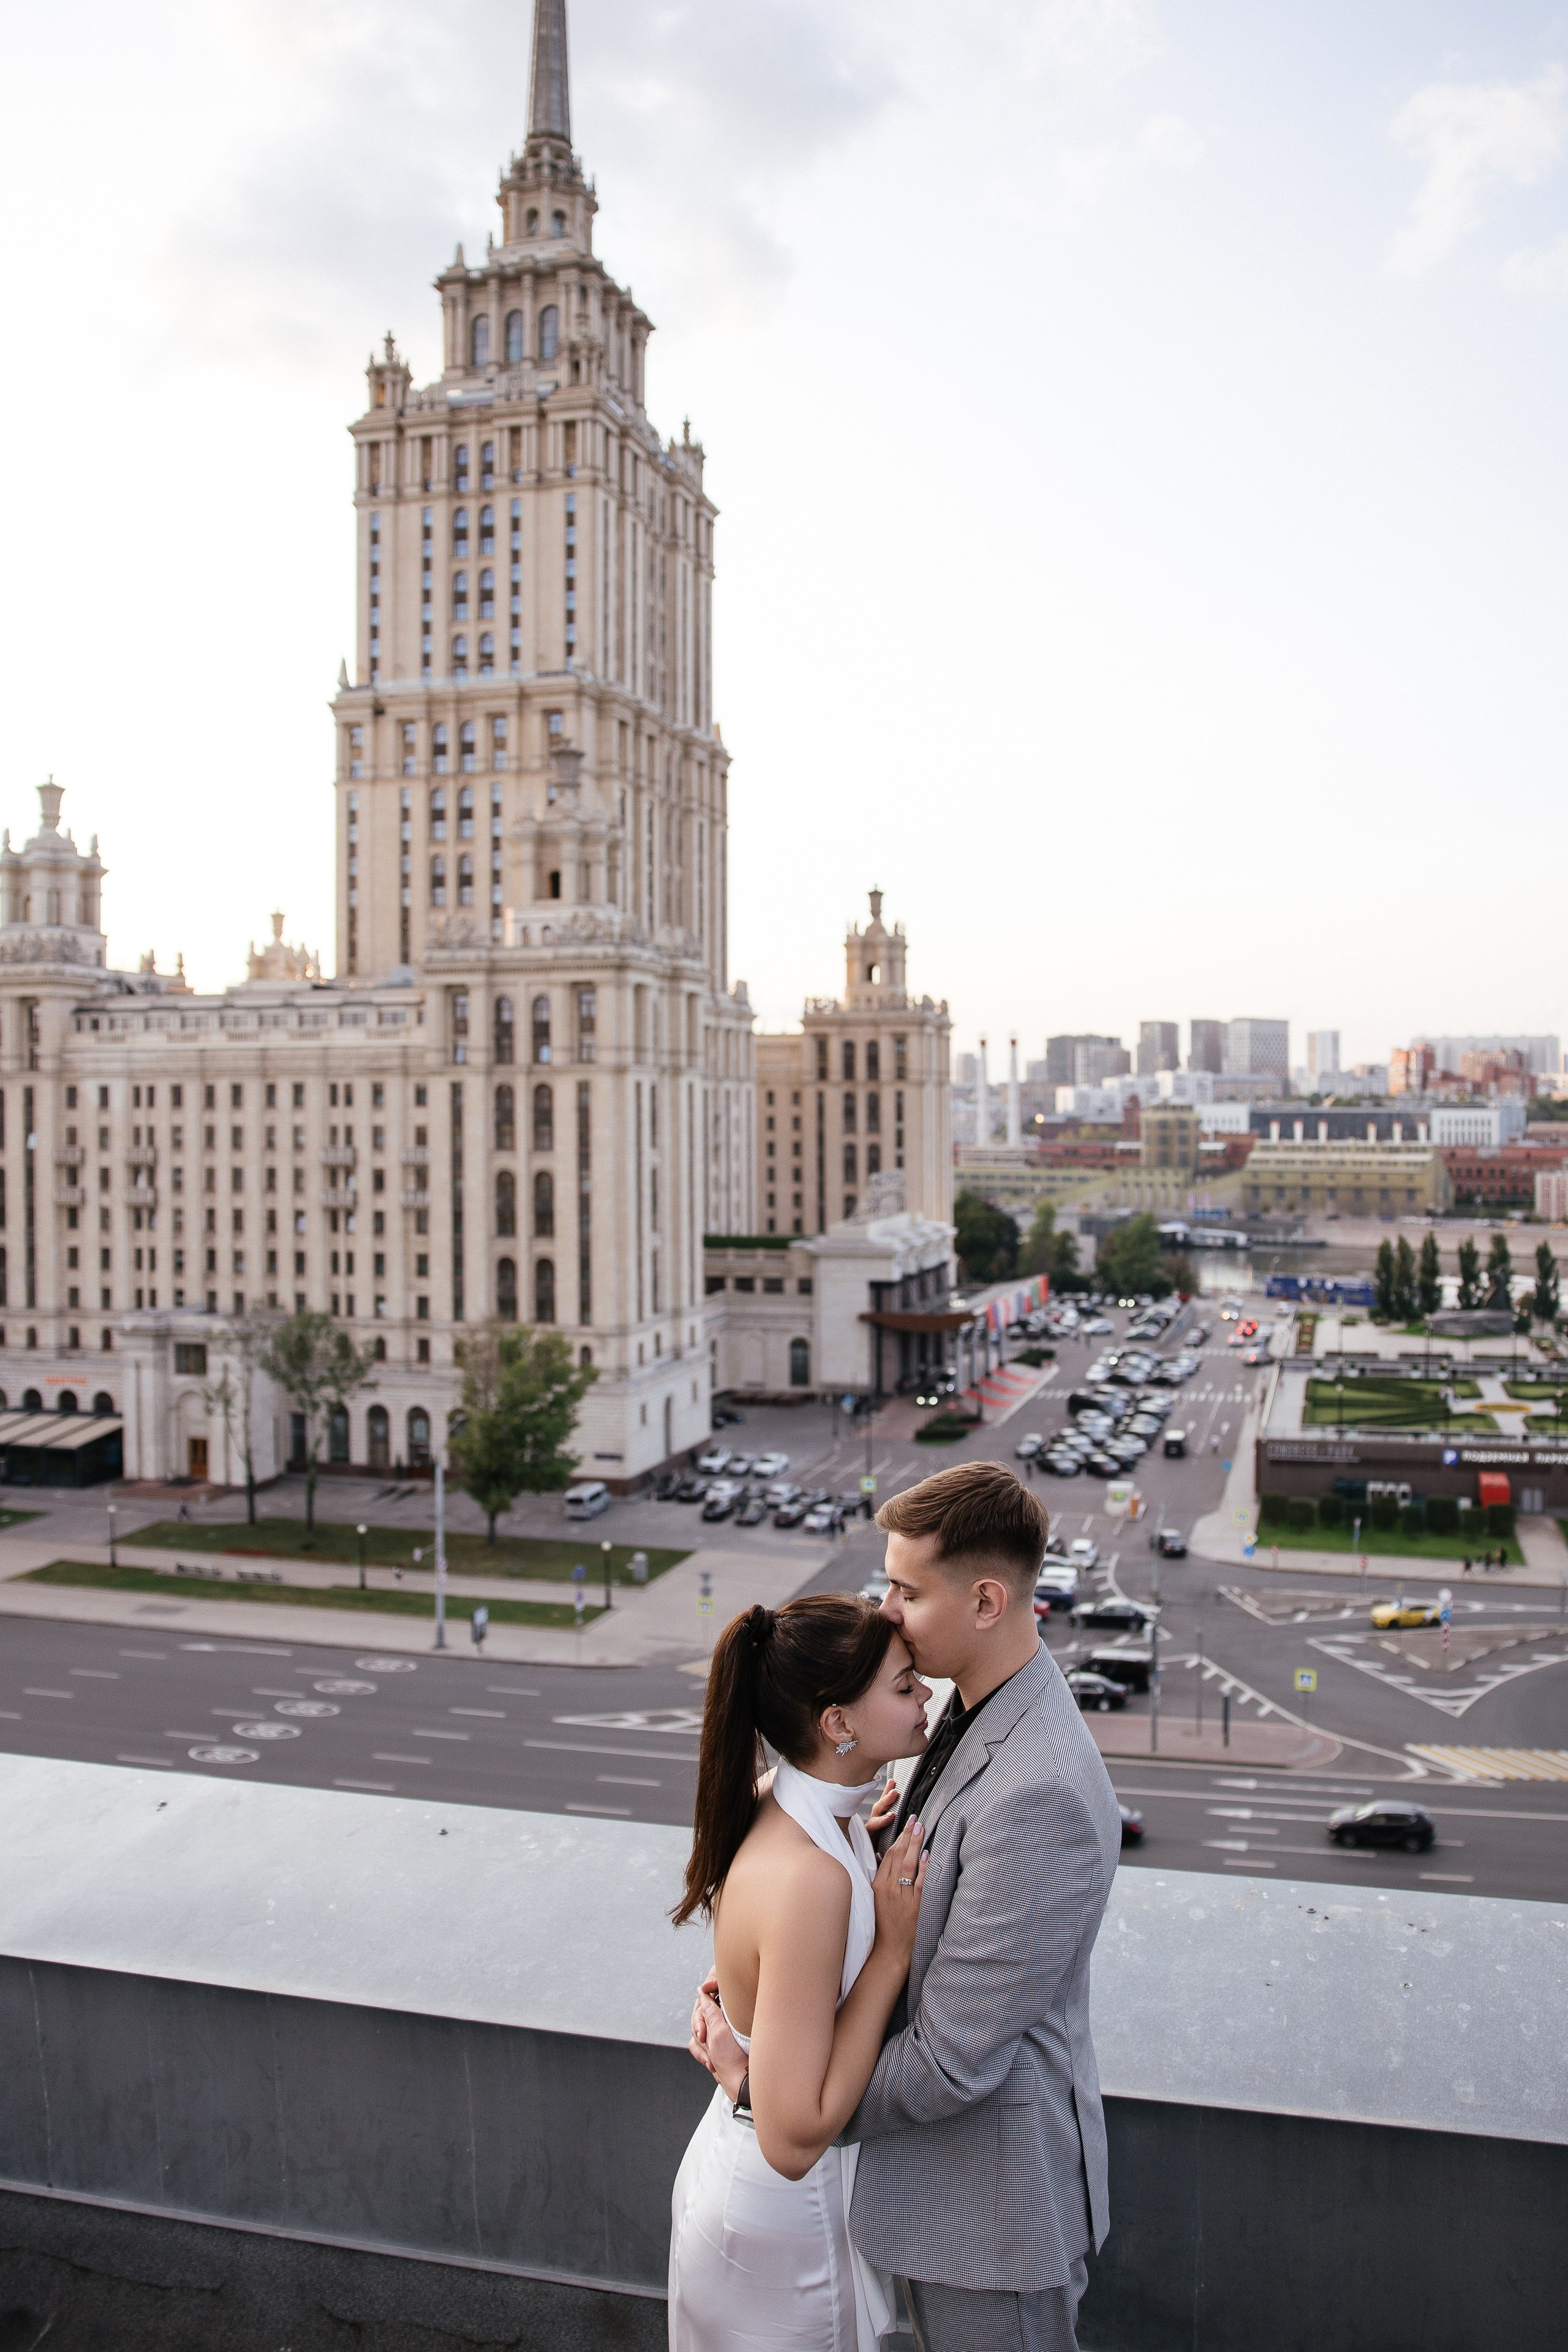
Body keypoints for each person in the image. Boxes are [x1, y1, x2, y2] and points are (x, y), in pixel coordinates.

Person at [692, 1461, 1122, 2352]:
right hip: (934, 2192)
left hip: (989, 2217)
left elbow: (951, 2061)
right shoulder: (974, 1705)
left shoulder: (1039, 1792)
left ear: (986, 1601)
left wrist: (770, 2090)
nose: (886, 1612)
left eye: (907, 1591)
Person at [668, 1595, 933, 2352]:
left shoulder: (779, 1802)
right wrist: (889, 1952)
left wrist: (855, 1832)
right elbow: (792, 2141)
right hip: (785, 2239)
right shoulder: (811, 1878)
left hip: (737, 2200)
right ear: (837, 1723)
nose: (925, 1694)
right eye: (904, 1685)